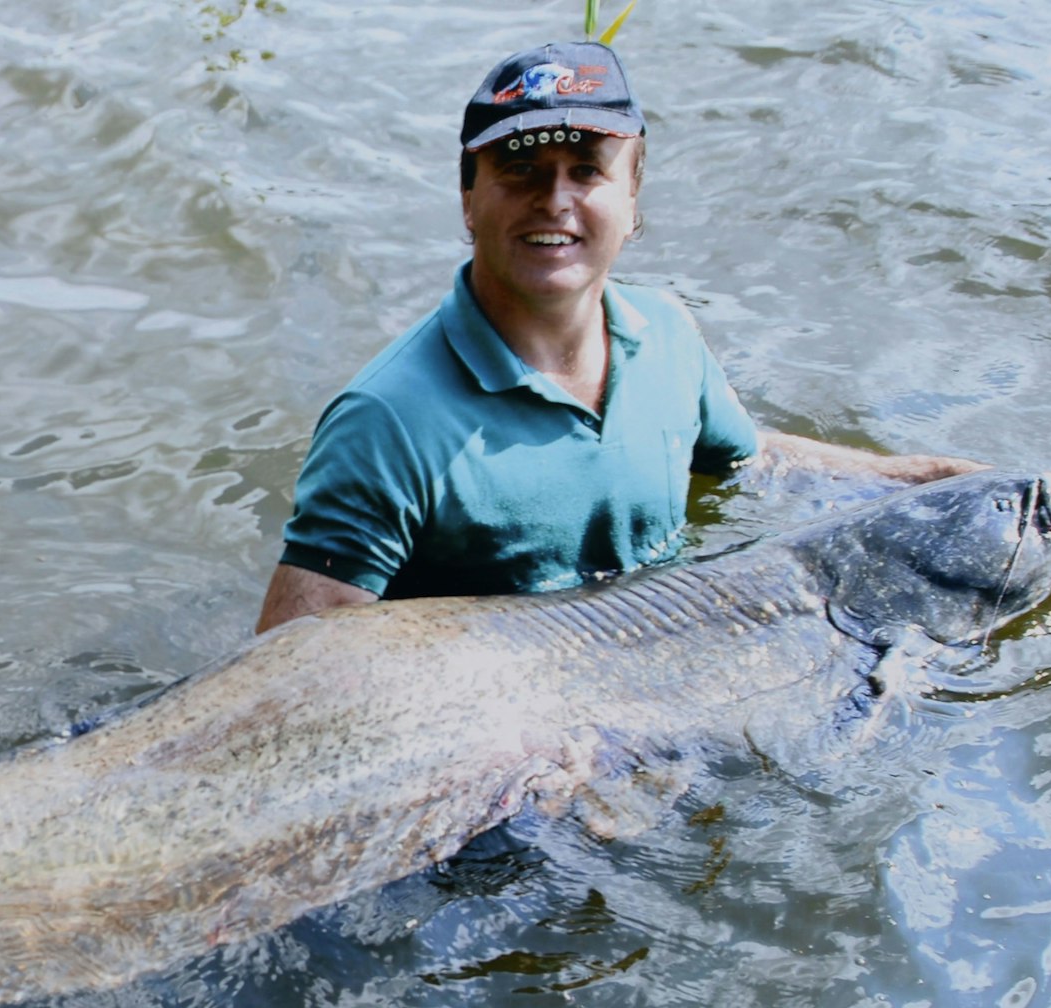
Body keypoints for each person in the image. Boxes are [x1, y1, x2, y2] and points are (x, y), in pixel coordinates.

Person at [255, 41, 983, 634]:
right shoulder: (386, 422)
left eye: (587, 171)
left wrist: (923, 481)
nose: (556, 199)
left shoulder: (666, 333)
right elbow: (290, 666)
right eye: (520, 170)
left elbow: (750, 460)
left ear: (633, 200)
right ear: (468, 198)